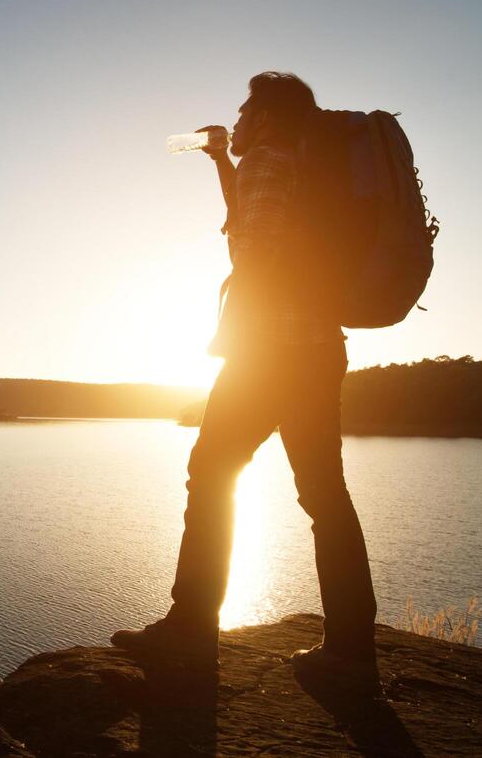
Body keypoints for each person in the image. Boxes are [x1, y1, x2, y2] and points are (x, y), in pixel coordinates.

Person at [112, 71, 379, 689]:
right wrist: (218, 163)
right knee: (325, 496)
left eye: (243, 113)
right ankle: (351, 652)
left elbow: (253, 248)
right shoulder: (307, 167)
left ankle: (190, 632)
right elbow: (267, 224)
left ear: (264, 118)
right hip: (317, 349)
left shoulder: (266, 160)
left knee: (210, 473)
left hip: (269, 352)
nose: (236, 124)